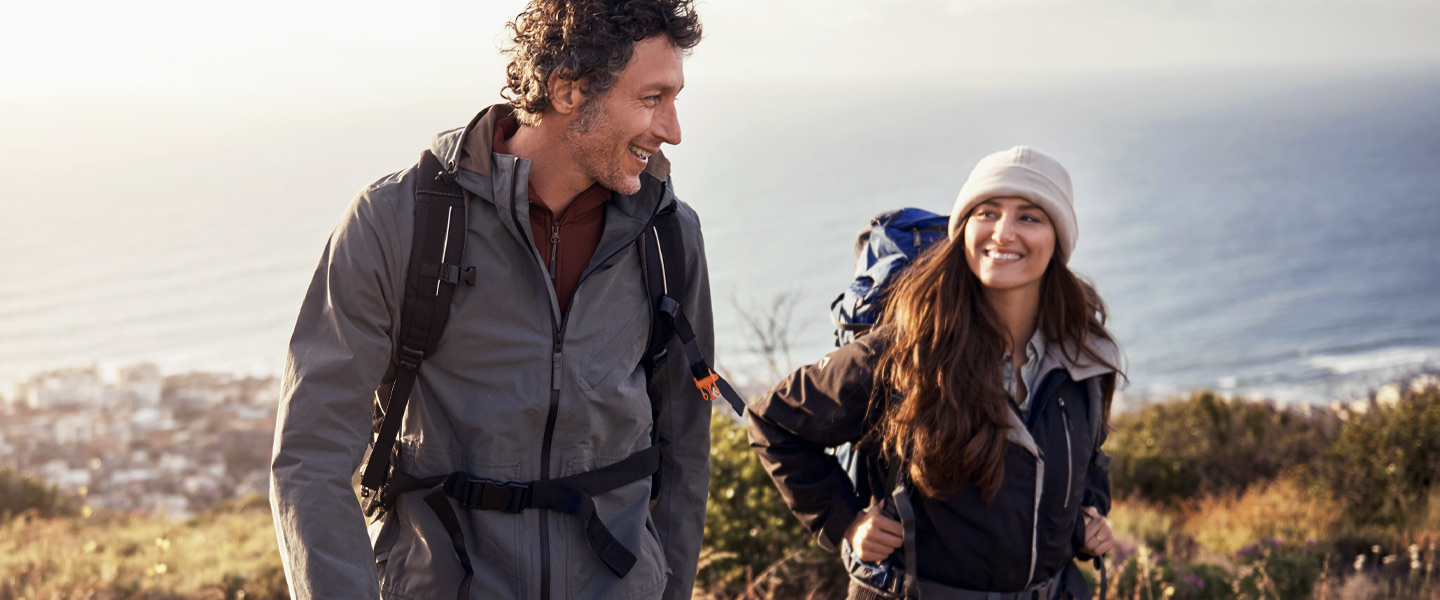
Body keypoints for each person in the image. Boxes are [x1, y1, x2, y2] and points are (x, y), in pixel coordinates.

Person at [269, 1, 716, 599]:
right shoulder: (396, 222)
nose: (672, 130)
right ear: (567, 90)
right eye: (651, 98)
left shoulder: (669, 235)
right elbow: (312, 457)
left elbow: (685, 444)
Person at [748, 147, 1123, 599]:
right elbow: (775, 421)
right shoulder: (907, 348)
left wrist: (1089, 513)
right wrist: (845, 521)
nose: (1003, 233)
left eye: (1029, 217)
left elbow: (1089, 456)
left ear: (1057, 239)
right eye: (987, 213)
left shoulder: (1085, 354)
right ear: (964, 228)